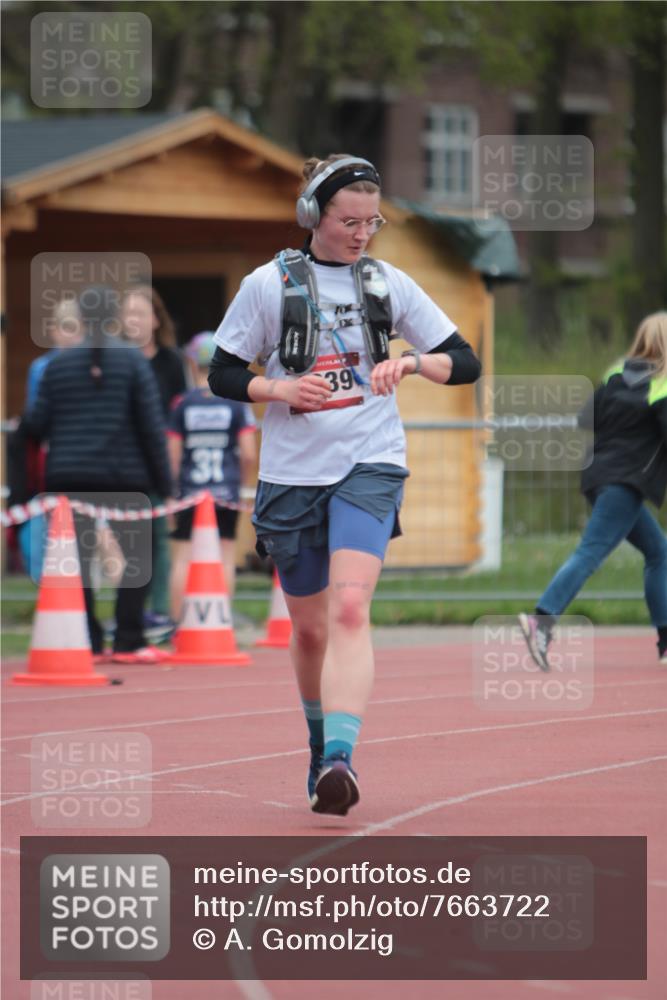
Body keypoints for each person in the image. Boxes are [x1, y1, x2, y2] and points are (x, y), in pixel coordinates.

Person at [208, 153, 481, 815]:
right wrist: (274, 386)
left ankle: (341, 758)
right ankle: (316, 738)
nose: (361, 233)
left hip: (370, 461)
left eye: (372, 221)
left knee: (351, 609)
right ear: (312, 215)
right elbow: (220, 373)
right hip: (291, 474)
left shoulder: (389, 283)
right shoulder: (266, 286)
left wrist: (412, 363)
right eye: (347, 220)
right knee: (308, 632)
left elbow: (466, 361)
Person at [22, 285, 173, 664]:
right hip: (126, 477)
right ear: (114, 318)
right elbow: (151, 428)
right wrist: (165, 485)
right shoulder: (134, 362)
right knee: (139, 559)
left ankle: (88, 638)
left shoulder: (56, 365)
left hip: (69, 477)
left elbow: (35, 424)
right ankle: (128, 637)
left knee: (79, 560)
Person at [519, 311, 667, 670]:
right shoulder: (662, 384)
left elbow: (587, 418)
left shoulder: (616, 373)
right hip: (625, 482)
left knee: (659, 552)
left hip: (597, 474)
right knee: (590, 552)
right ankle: (543, 619)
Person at [168, 332, 257, 620]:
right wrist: (243, 486)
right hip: (225, 493)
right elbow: (248, 453)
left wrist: (173, 488)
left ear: (192, 363)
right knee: (225, 556)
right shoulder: (235, 404)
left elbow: (173, 454)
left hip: (190, 492)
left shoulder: (182, 403)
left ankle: (178, 622)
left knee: (182, 557)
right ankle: (221, 620)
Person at [122, 285, 186, 634]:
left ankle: (160, 611)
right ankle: (130, 615)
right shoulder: (116, 359)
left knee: (159, 536)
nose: (134, 320)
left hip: (161, 459)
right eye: (128, 313)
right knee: (126, 540)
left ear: (155, 319)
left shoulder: (171, 361)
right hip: (122, 461)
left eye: (140, 313)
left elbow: (181, 412)